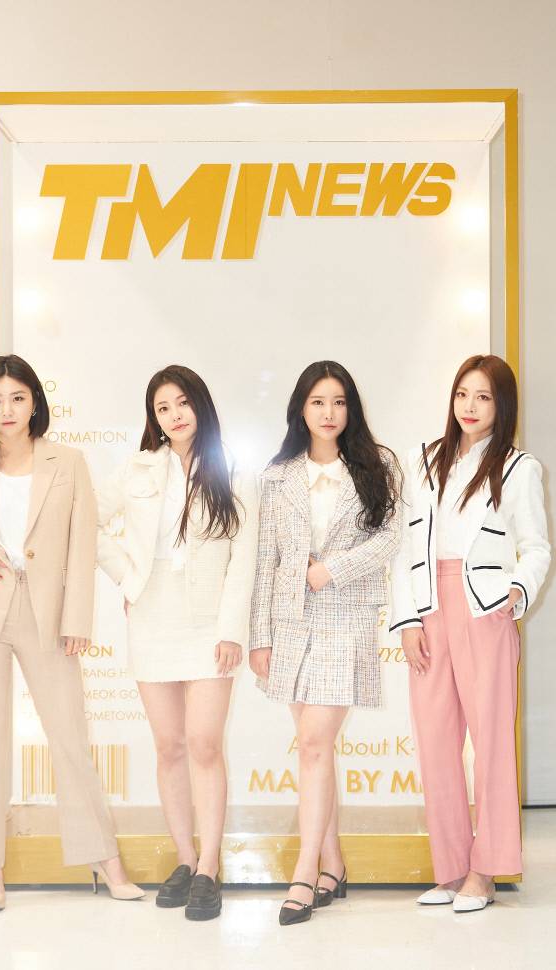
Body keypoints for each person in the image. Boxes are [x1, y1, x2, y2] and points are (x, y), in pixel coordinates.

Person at [0, 355, 143, 911]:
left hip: (48, 615)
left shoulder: (68, 462)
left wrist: (77, 620)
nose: (7, 410)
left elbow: (82, 544)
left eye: (17, 397)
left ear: (35, 401)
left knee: (69, 737)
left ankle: (103, 858)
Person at [96, 364, 258, 921]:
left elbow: (244, 558)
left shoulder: (232, 469)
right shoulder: (139, 467)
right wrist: (127, 578)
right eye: (162, 408)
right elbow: (87, 520)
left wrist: (232, 629)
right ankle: (186, 859)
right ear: (154, 417)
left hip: (210, 620)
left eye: (182, 402)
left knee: (204, 744)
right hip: (152, 615)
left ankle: (210, 865)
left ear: (200, 404)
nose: (174, 415)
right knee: (169, 746)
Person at [390, 354, 550, 912]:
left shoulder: (518, 467)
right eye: (463, 394)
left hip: (485, 611)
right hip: (430, 605)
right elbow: (405, 546)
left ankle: (486, 870)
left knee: (491, 746)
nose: (470, 406)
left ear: (502, 405)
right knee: (435, 744)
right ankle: (452, 869)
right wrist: (408, 619)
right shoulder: (424, 460)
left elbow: (536, 546)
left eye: (483, 396)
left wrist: (517, 591)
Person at [249, 360, 400, 925]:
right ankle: (334, 864)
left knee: (314, 745)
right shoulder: (278, 476)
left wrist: (331, 570)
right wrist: (260, 636)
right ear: (301, 409)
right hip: (289, 624)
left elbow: (389, 540)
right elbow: (265, 561)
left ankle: (304, 871)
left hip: (345, 618)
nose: (329, 412)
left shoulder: (378, 465)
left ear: (351, 408)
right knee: (316, 751)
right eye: (318, 401)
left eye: (338, 401)